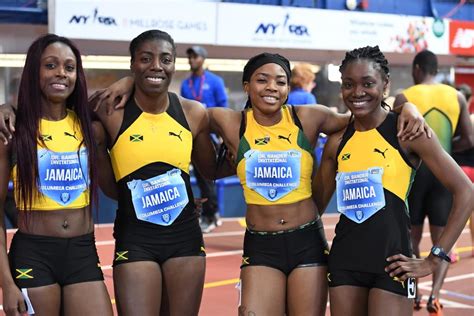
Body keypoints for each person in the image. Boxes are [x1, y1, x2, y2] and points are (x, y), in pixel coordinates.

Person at [74, 48, 428, 315]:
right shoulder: (228, 121)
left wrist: (405, 104)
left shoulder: (308, 117)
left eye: (280, 81)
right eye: (262, 79)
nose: (271, 87)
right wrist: (131, 79)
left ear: (289, 88)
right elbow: (166, 101)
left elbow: (363, 111)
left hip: (307, 242)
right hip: (261, 246)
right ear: (247, 84)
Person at [314, 45, 473, 316]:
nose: (358, 92)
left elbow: (466, 191)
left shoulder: (408, 131)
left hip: (394, 264)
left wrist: (435, 258)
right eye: (349, 84)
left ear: (385, 84)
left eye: (368, 83)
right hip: (344, 262)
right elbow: (313, 208)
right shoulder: (337, 142)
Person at [90, 30, 226, 315]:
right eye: (145, 59)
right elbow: (58, 107)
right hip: (135, 238)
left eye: (165, 59)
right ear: (132, 64)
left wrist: (243, 153)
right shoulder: (110, 109)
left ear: (174, 64)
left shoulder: (193, 112)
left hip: (185, 238)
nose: (156, 66)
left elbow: (210, 170)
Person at [0, 34, 113, 316]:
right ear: (33, 72)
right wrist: (6, 284)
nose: (61, 72)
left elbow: (140, 88)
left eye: (69, 67)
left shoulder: (91, 128)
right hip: (33, 255)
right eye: (50, 65)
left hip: (82, 252)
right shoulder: (13, 131)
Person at [394, 50, 474, 314]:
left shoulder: (405, 96)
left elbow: (396, 137)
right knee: (442, 243)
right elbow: (469, 140)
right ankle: (435, 297)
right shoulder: (457, 96)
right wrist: (444, 145)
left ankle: (414, 293)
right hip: (443, 176)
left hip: (415, 175)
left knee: (412, 239)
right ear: (436, 69)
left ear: (417, 68)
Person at [181, 45, 228, 233]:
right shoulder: (186, 84)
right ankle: (211, 213)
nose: (192, 60)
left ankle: (211, 214)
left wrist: (222, 133)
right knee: (200, 179)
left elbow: (223, 107)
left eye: (195, 57)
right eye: (190, 57)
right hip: (193, 136)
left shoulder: (215, 81)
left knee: (208, 177)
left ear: (203, 59)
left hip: (212, 136)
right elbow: (185, 109)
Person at [453, 84, 474, 256]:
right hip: (472, 169)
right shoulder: (472, 119)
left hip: (457, 170)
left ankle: (451, 250)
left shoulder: (453, 120)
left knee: (452, 210)